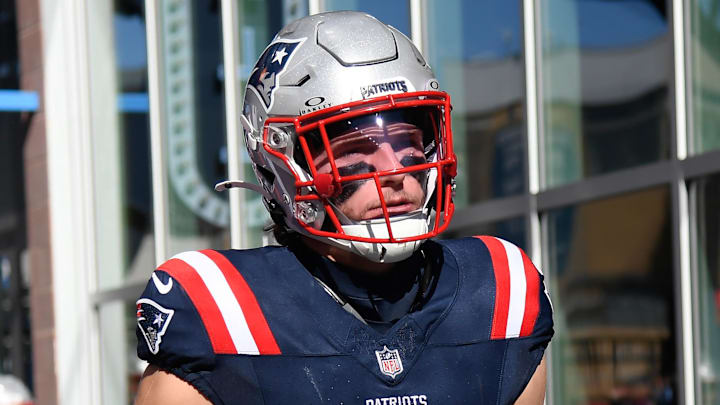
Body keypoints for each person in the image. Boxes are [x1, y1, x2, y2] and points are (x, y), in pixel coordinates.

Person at [133, 11, 553, 405]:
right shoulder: (219, 308)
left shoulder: (498, 292)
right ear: (283, 163)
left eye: (408, 145)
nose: (394, 172)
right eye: (356, 153)